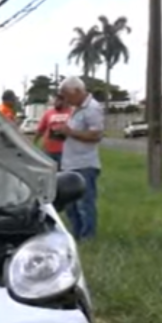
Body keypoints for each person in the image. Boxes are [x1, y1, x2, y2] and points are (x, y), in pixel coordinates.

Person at [54, 76, 104, 241]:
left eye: (67, 95)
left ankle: (88, 236)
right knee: (70, 205)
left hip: (85, 164)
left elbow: (96, 135)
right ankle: (75, 234)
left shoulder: (92, 108)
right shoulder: (76, 108)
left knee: (84, 203)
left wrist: (71, 133)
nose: (65, 99)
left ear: (77, 91)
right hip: (70, 163)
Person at [33, 94, 72, 169]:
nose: (56, 102)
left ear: (65, 101)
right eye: (55, 100)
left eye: (59, 100)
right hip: (48, 150)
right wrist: (33, 143)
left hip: (65, 152)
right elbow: (40, 130)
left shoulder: (71, 113)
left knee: (63, 175)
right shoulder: (48, 113)